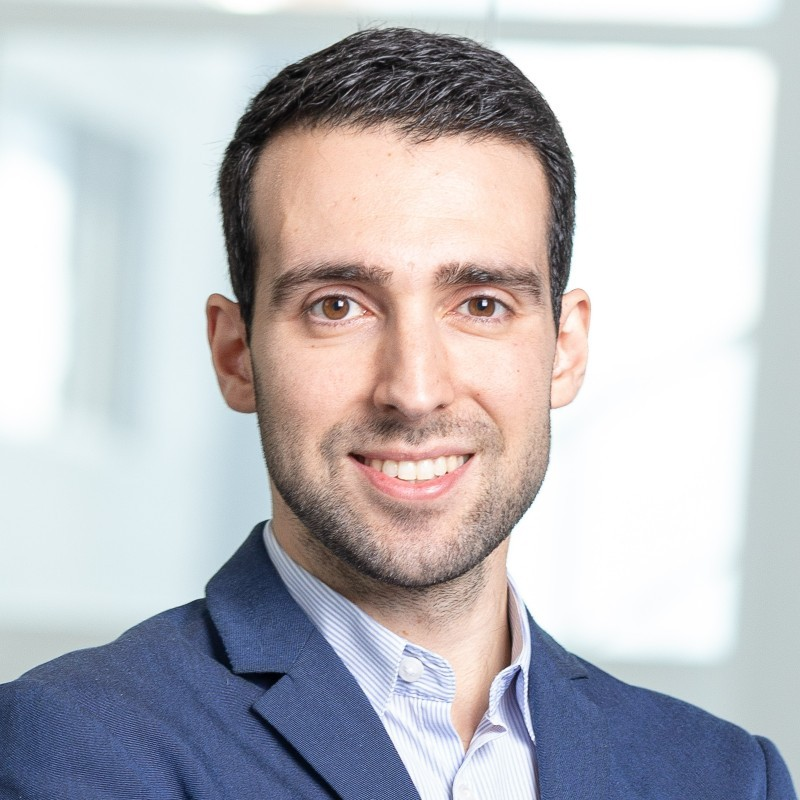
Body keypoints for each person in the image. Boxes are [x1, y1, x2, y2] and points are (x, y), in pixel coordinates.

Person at [0, 27, 795, 800]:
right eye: (337, 305)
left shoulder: (725, 778)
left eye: (481, 304)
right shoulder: (74, 750)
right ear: (236, 354)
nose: (414, 390)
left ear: (565, 348)